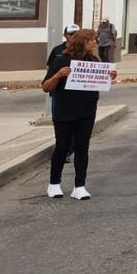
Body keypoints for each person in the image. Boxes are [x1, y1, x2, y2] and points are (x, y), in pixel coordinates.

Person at [42, 29, 112, 199]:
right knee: (62, 147)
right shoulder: (61, 61)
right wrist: (58, 75)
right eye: (91, 40)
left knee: (82, 148)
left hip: (86, 111)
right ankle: (54, 183)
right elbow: (46, 86)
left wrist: (108, 76)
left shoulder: (93, 60)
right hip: (64, 111)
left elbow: (97, 84)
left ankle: (79, 186)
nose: (94, 43)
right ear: (81, 42)